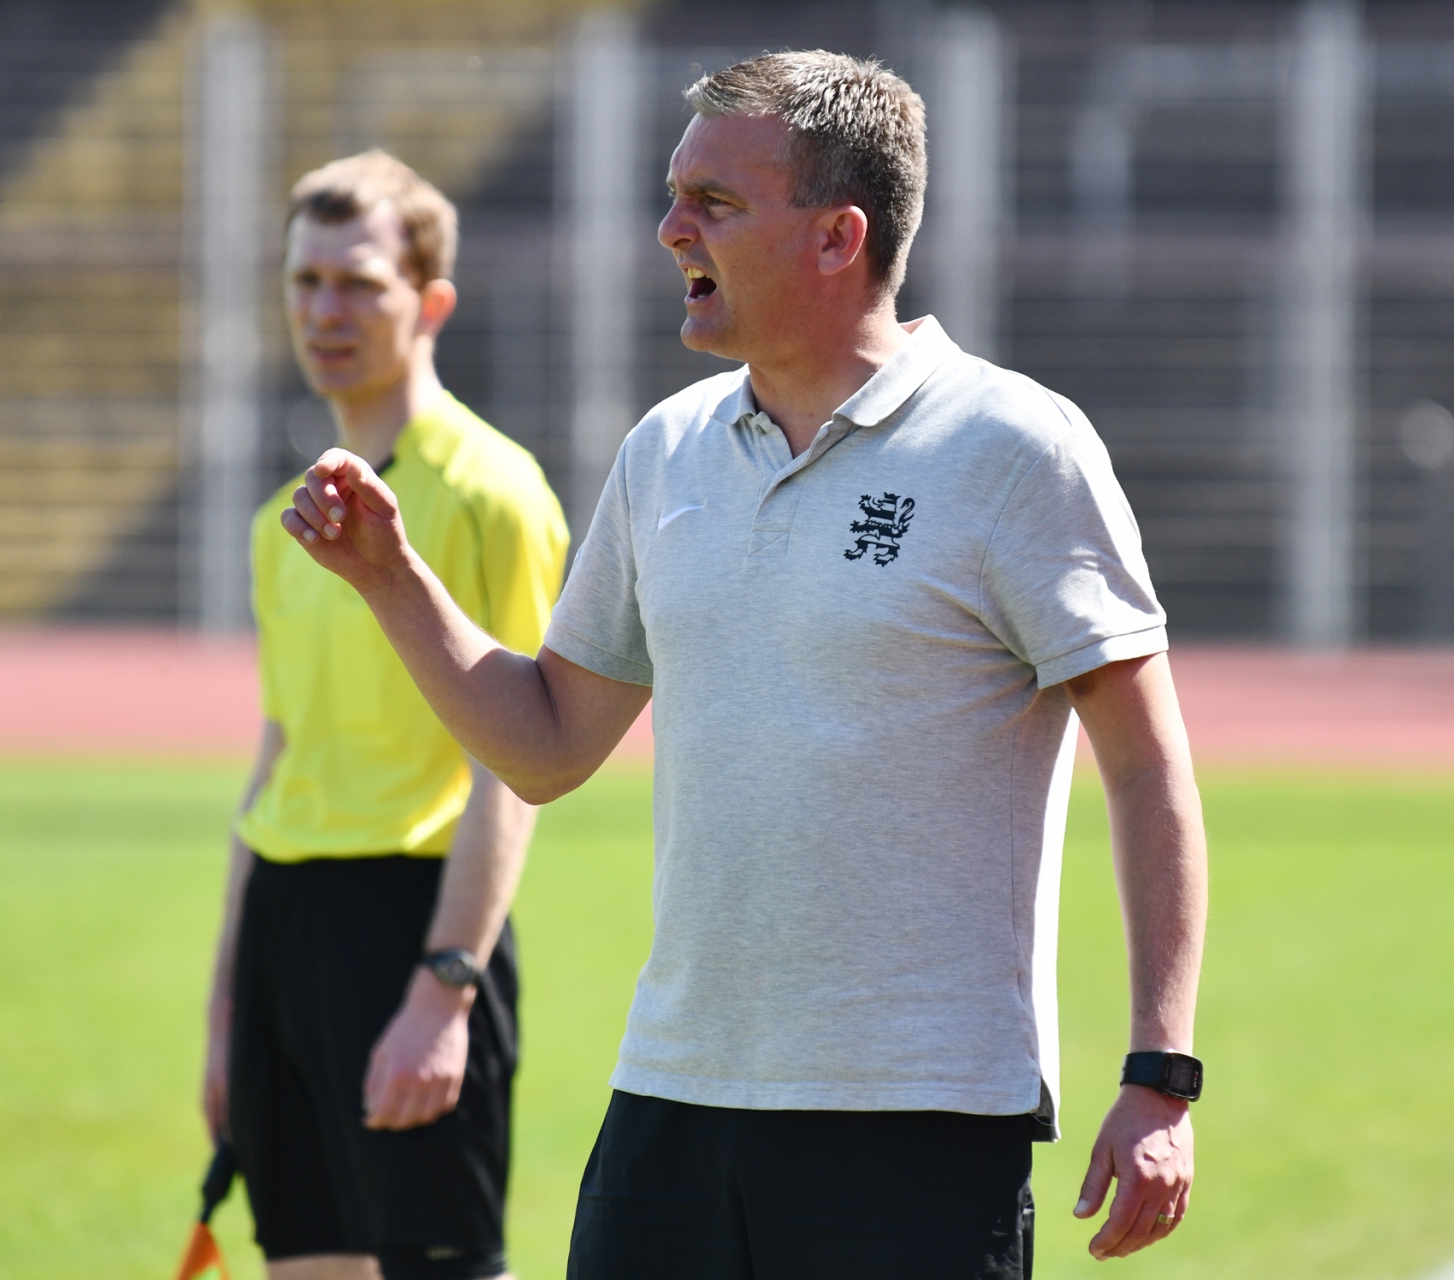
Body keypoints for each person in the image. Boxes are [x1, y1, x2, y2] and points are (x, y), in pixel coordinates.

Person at [278, 53, 1207, 1280]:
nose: (671, 229)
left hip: (919, 1115)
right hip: (672, 1098)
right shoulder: (665, 450)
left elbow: (1145, 764)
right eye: (674, 196)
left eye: (713, 202)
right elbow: (545, 744)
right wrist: (393, 581)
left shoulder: (1015, 446)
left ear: (836, 238)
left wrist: (1160, 1074)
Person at [202, 150, 568, 1280]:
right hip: (285, 927)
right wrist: (229, 1003)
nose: (327, 310)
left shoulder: (495, 492)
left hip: (413, 924)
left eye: (359, 283)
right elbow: (278, 754)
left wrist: (443, 990)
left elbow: (517, 761)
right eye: (306, 281)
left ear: (431, 302)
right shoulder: (283, 522)